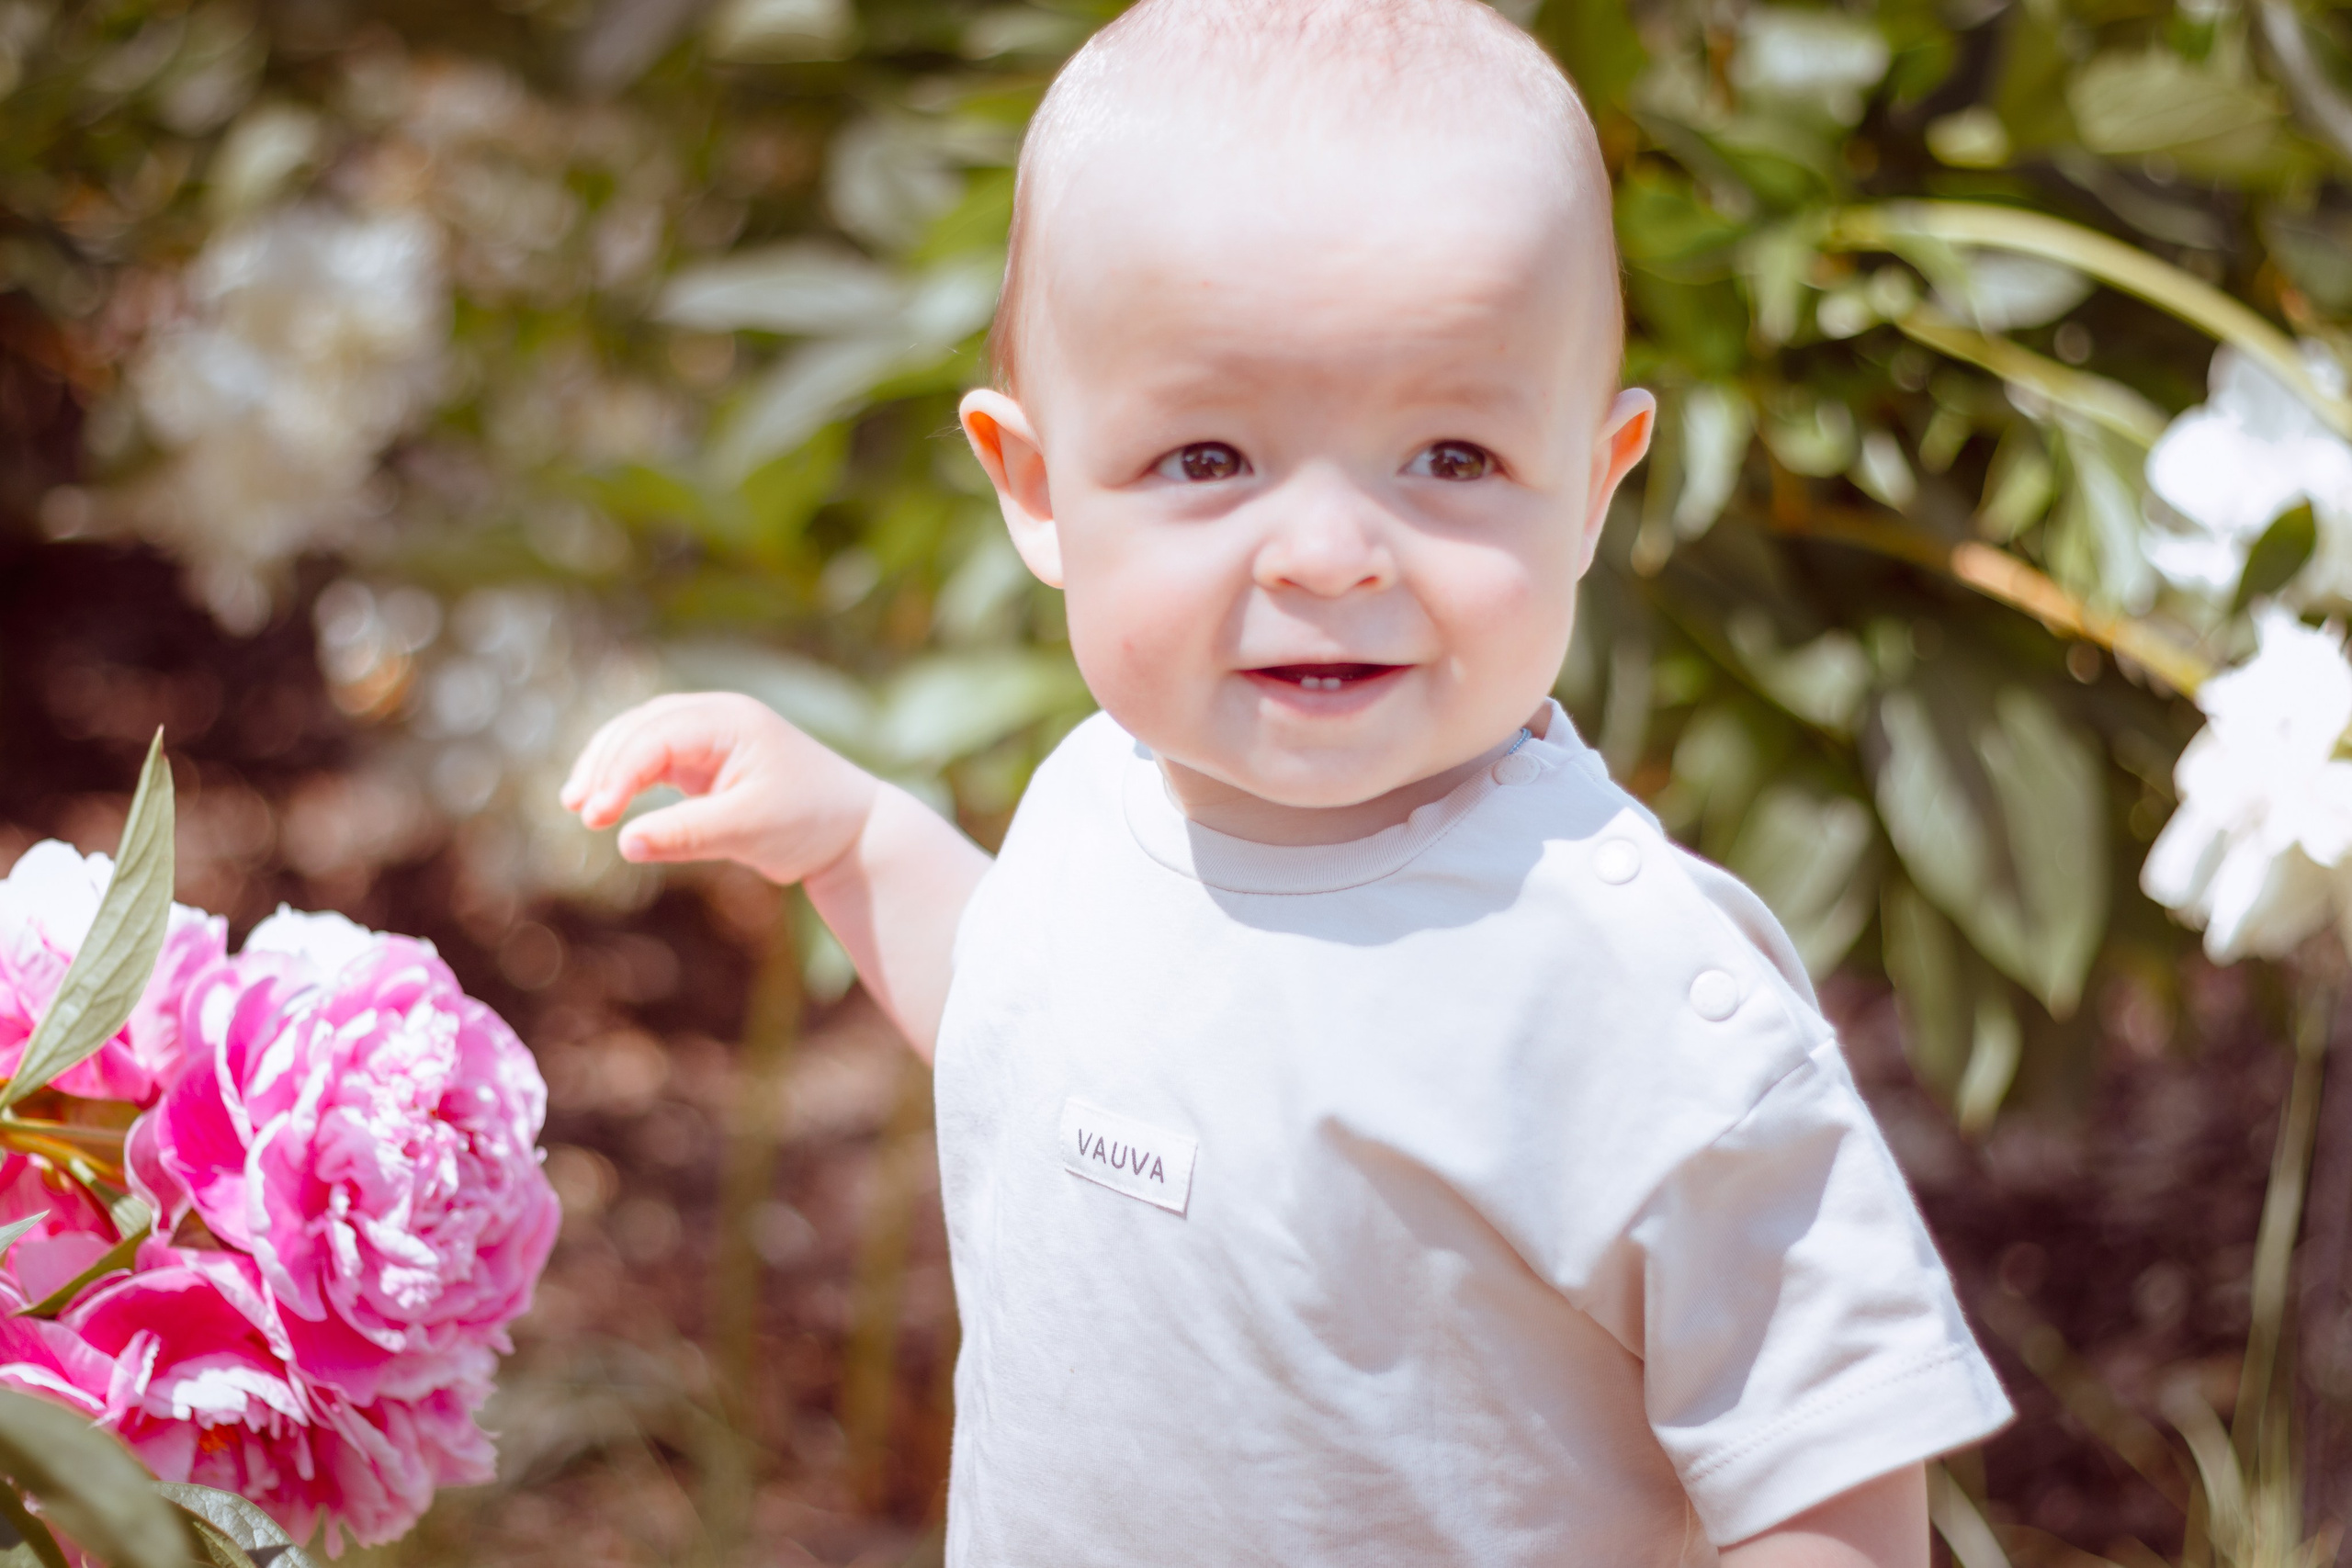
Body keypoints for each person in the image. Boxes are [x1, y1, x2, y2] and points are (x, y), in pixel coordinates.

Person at [560, 1, 2012, 1561]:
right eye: (1210, 459)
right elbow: (1042, 1033)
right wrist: (854, 839)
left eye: (1450, 456)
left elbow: (1828, 1482)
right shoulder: (1095, 804)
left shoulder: (1632, 988)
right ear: (1038, 491)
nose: (1328, 555)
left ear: (1592, 490)